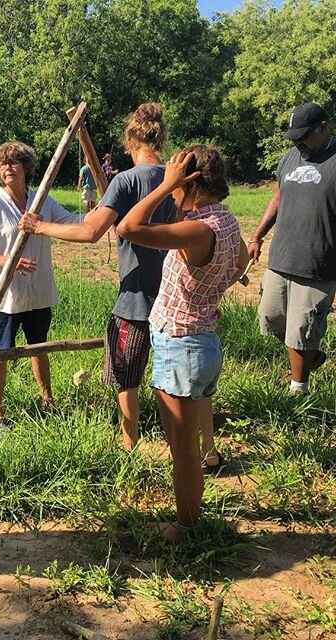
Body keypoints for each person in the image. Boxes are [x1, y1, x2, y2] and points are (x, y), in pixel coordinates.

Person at [20, 104, 175, 452]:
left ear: (128, 142)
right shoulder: (174, 179)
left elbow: (90, 231)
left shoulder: (128, 180)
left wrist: (38, 225)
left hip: (136, 299)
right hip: (174, 298)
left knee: (126, 377)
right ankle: (181, 440)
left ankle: (129, 442)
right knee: (171, 377)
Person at [117, 146, 247, 540]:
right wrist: (210, 291)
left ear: (190, 183)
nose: (170, 192)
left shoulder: (196, 230)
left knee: (184, 453)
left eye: (175, 183)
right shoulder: (224, 221)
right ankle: (188, 519)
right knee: (187, 447)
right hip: (201, 341)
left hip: (181, 347)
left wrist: (163, 188)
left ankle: (185, 527)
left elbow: (128, 227)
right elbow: (241, 259)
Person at [0, 141, 79, 433]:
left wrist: (102, 215)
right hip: (7, 296)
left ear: (27, 167)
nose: (8, 167)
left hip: (38, 291)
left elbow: (71, 222)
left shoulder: (41, 201)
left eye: (15, 162)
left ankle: (48, 400)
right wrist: (7, 261)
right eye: (3, 163)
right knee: (0, 352)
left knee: (39, 347)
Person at [248, 102, 336, 396]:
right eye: (294, 136)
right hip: (282, 256)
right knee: (270, 318)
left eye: (304, 135)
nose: (298, 142)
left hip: (319, 263)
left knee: (302, 330)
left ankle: (298, 393)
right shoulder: (291, 158)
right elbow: (277, 198)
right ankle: (311, 357)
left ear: (324, 128)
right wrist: (257, 236)